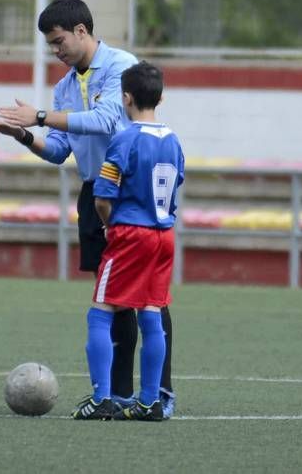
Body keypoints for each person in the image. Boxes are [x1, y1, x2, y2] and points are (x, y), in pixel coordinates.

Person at [0, 0, 177, 416]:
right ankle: (119, 396)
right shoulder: (62, 87)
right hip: (95, 193)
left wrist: (39, 116)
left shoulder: (120, 67)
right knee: (113, 297)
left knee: (149, 300)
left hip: (131, 196)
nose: (56, 51)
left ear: (81, 31)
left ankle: (159, 393)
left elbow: (106, 120)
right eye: (50, 45)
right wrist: (22, 134)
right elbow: (59, 150)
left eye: (59, 41)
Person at [71, 61, 184, 421]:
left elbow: (103, 196)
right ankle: (150, 401)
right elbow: (176, 186)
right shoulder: (173, 140)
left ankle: (102, 397)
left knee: (102, 310)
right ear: (161, 97)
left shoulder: (124, 139)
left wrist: (108, 226)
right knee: (151, 311)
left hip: (131, 234)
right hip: (164, 234)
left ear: (126, 98)